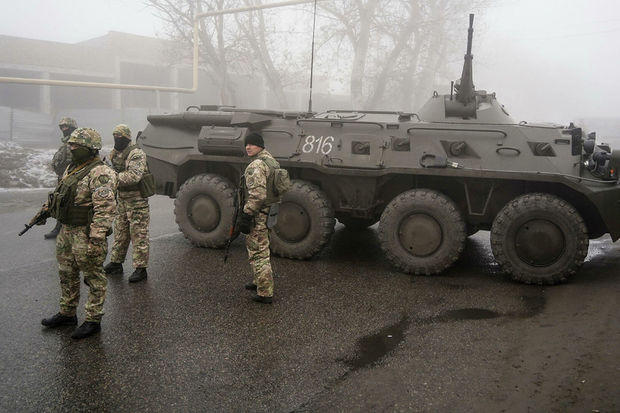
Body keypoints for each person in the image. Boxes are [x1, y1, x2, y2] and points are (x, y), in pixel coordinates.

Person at [40, 128, 118, 339]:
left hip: (86, 233)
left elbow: (105, 209)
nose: (71, 148)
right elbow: (59, 195)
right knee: (66, 273)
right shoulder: (72, 168)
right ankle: (67, 313)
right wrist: (46, 211)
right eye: (71, 144)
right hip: (67, 231)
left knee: (93, 276)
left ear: (89, 148)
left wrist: (96, 238)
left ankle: (93, 320)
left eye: (76, 145)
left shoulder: (101, 173)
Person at [103, 124, 150, 282]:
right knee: (121, 233)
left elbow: (133, 177)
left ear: (127, 137)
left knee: (139, 235)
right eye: (115, 135)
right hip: (122, 200)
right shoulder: (114, 153)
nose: (117, 139)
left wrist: (111, 177)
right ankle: (116, 263)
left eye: (120, 136)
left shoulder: (137, 153)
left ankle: (140, 268)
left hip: (137, 200)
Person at [237, 132, 278, 304]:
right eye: (246, 144)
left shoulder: (256, 166)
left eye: (252, 144)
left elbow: (258, 195)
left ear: (260, 145)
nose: (248, 147)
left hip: (258, 216)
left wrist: (246, 214)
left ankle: (265, 293)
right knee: (263, 248)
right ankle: (258, 281)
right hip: (269, 213)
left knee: (258, 254)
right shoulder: (272, 161)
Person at [45, 117, 77, 239]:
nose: (64, 129)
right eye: (62, 127)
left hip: (72, 178)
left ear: (72, 128)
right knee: (61, 202)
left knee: (68, 203)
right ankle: (60, 228)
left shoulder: (75, 142)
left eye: (66, 127)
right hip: (63, 178)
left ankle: (60, 228)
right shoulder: (65, 143)